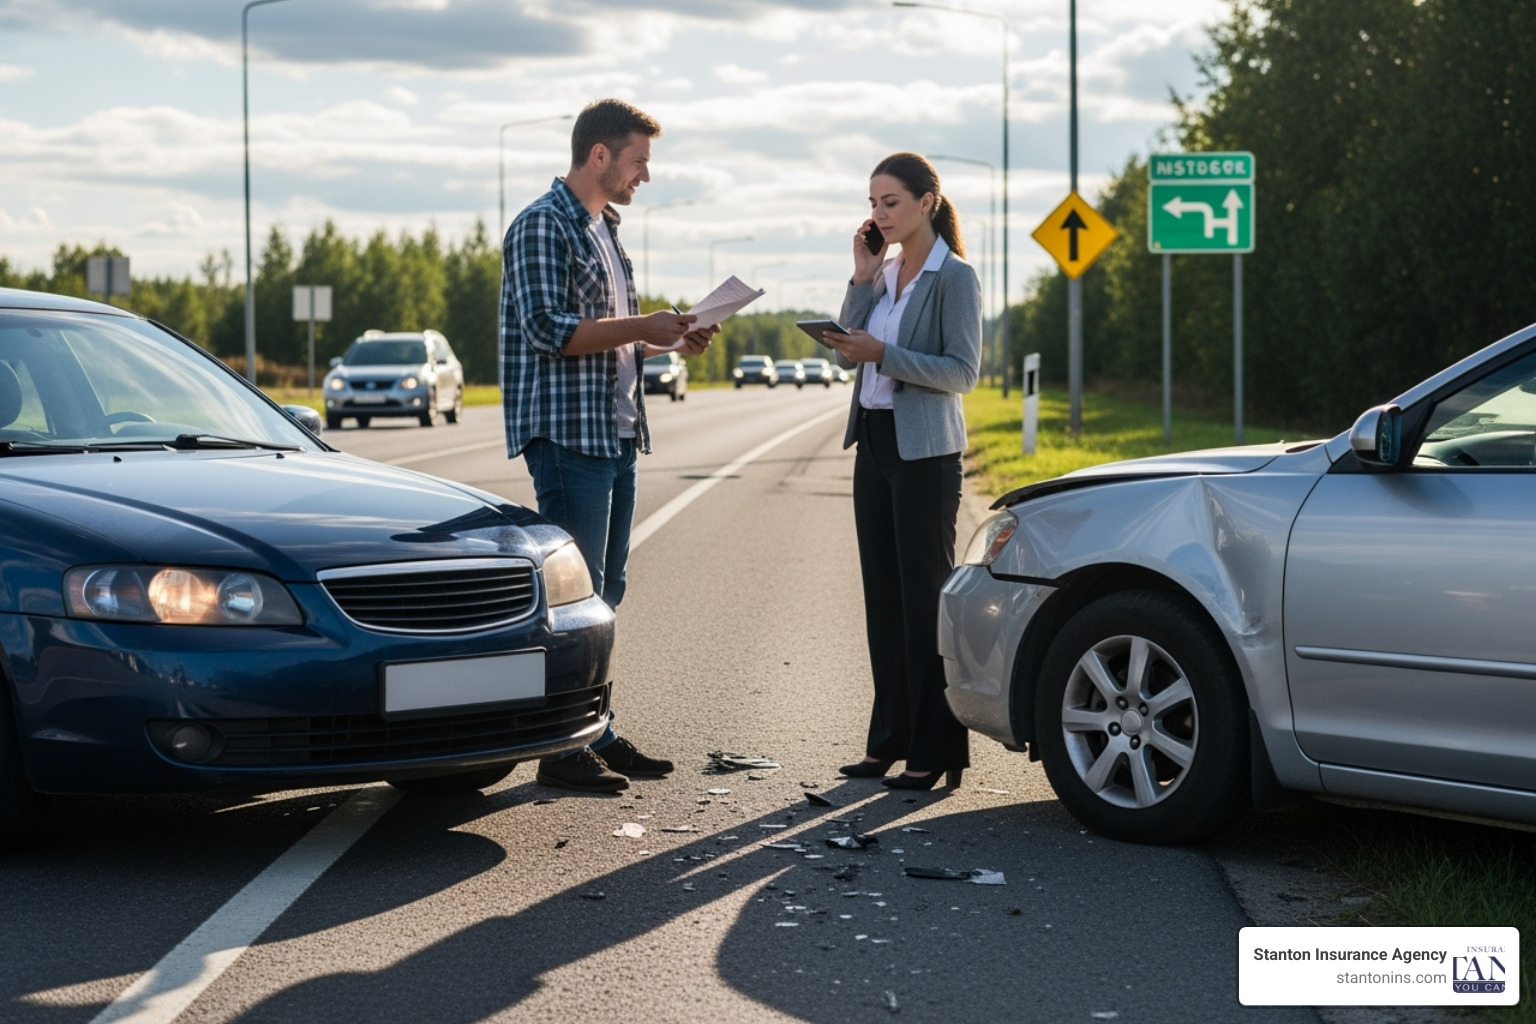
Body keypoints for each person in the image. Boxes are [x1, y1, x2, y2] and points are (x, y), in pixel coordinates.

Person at [501, 98, 717, 792]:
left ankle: (595, 727)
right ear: (600, 155)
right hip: (569, 436)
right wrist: (641, 326)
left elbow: (612, 340)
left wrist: (670, 337)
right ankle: (561, 749)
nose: (644, 176)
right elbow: (549, 331)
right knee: (571, 599)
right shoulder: (542, 224)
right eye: (638, 161)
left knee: (605, 591)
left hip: (615, 431)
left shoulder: (605, 230)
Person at [822, 152, 982, 791]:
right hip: (875, 446)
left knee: (924, 605)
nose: (879, 214)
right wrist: (861, 280)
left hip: (926, 456)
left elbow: (962, 372)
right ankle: (886, 742)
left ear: (926, 202)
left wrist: (885, 354)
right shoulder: (881, 273)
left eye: (890, 202)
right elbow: (843, 359)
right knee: (883, 604)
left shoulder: (954, 277)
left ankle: (936, 747)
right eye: (872, 204)